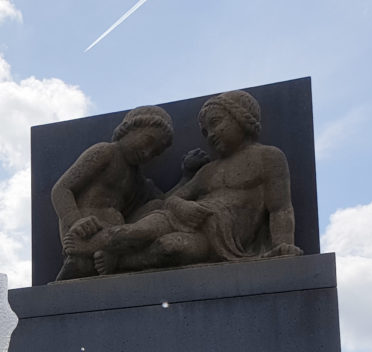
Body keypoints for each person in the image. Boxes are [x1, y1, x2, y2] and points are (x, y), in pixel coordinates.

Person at [91, 90, 301, 276]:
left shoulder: (268, 157)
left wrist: (284, 245)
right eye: (205, 131)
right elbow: (173, 198)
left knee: (170, 247)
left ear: (241, 117)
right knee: (135, 231)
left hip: (219, 238)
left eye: (216, 122)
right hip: (179, 217)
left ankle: (119, 261)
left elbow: (280, 208)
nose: (210, 134)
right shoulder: (208, 170)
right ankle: (80, 248)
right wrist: (182, 206)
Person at [50, 105, 175, 280]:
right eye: (148, 141)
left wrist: (189, 176)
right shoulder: (105, 152)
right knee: (81, 266)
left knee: (156, 208)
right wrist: (75, 221)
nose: (147, 153)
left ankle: (113, 256)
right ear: (130, 129)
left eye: (155, 153)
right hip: (85, 232)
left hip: (114, 234)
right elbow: (61, 189)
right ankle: (92, 253)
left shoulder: (137, 178)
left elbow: (165, 201)